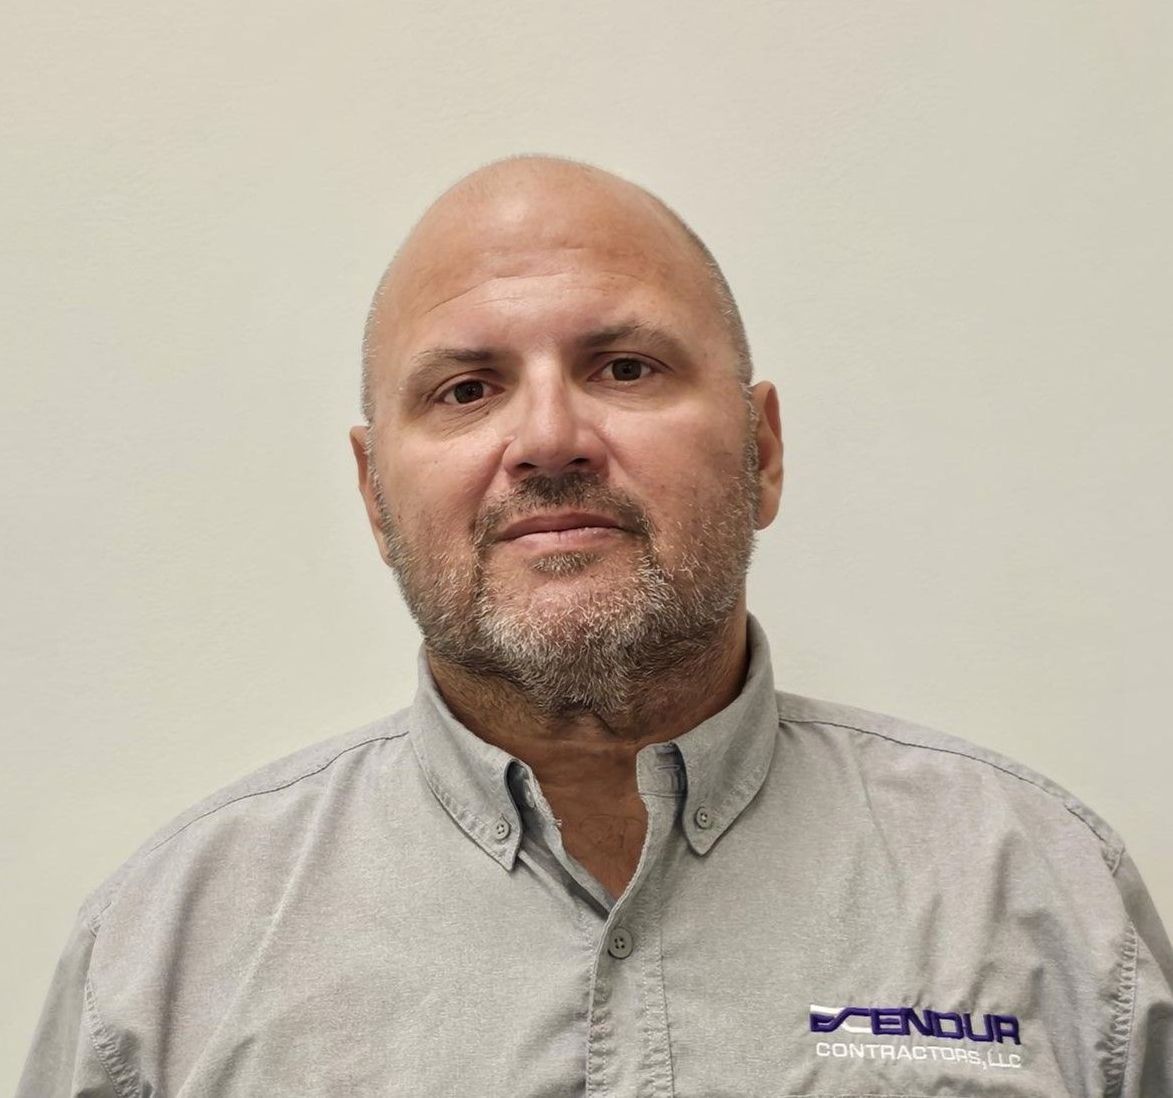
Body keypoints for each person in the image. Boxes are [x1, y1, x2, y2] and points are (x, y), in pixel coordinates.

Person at [17, 155, 1172, 1097]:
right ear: (375, 497)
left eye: (624, 367)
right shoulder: (169, 957)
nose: (549, 437)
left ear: (762, 451)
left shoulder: (1036, 892)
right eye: (466, 390)